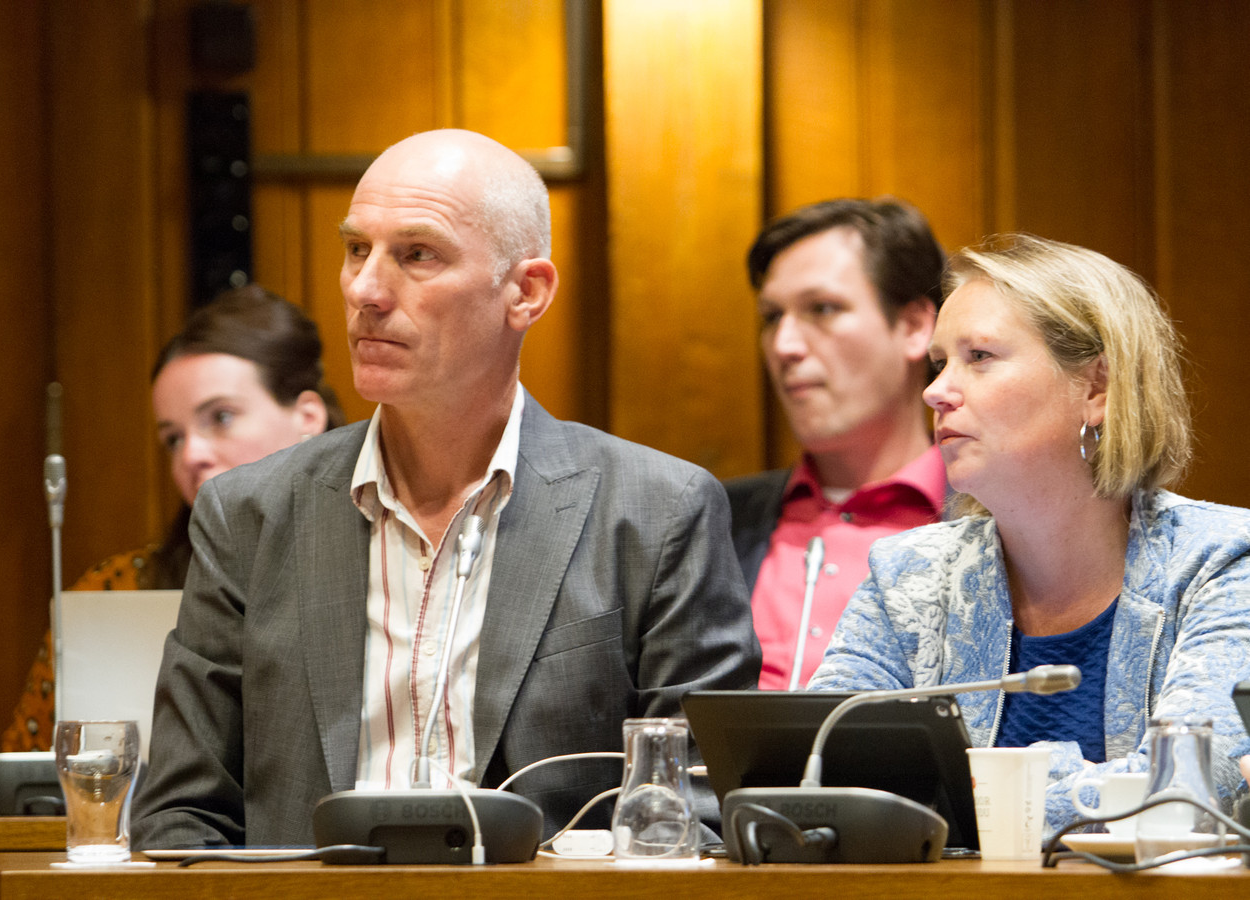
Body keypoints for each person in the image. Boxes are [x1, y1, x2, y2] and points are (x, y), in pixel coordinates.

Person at [130, 129, 761, 848]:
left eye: (416, 254)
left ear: (526, 292)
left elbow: (702, 818)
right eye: (356, 249)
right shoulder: (248, 513)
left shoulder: (656, 512)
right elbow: (180, 816)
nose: (365, 290)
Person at [808, 234, 1250, 833]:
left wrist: (963, 795)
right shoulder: (908, 575)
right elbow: (816, 774)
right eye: (940, 362)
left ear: (1097, 388)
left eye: (980, 357)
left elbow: (1186, 793)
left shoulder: (1222, 563)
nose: (935, 390)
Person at [1, 285, 346, 751]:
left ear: (308, 417)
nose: (192, 454)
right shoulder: (118, 589)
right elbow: (24, 785)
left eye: (220, 417)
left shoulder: (383, 565)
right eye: (173, 438)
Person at [726, 199, 947, 689]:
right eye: (770, 316)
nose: (784, 345)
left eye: (822, 309)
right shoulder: (713, 519)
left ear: (914, 326)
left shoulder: (997, 520)